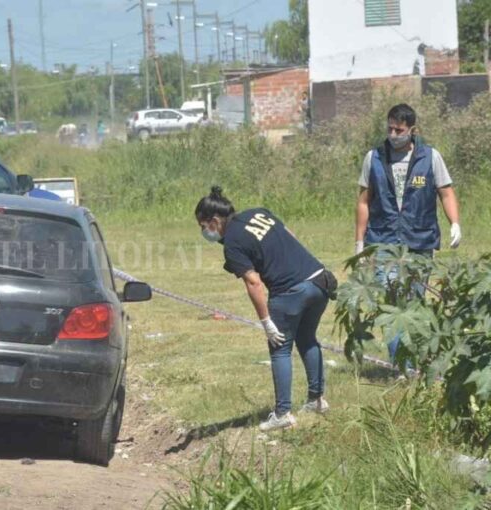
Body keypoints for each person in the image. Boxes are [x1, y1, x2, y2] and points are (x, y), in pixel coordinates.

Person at [195, 186, 333, 432]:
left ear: (215, 221)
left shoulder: (233, 244)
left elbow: (254, 282)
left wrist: (267, 322)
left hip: (290, 292)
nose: (203, 232)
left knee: (280, 350)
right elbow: (290, 235)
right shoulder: (259, 213)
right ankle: (316, 400)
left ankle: (282, 413)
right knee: (307, 339)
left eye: (203, 226)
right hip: (319, 279)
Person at [355, 103, 460, 364]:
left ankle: (415, 359)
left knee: (415, 302)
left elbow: (446, 192)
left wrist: (455, 223)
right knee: (392, 304)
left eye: (399, 129)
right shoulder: (374, 157)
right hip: (383, 241)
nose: (393, 134)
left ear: (412, 130)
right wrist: (359, 242)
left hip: (419, 240)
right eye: (390, 128)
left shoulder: (430, 157)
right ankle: (400, 365)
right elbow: (363, 201)